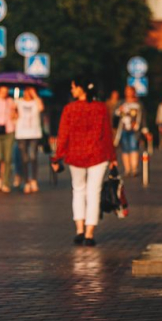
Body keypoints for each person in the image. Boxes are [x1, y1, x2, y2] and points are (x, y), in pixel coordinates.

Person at [51, 80, 117, 246]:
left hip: (76, 155)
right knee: (94, 192)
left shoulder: (69, 109)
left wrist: (57, 157)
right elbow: (107, 134)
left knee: (78, 190)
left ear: (81, 88)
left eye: (73, 87)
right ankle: (89, 233)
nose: (72, 89)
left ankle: (79, 229)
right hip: (98, 154)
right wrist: (113, 158)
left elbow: (63, 134)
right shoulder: (101, 108)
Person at [16, 87, 44, 194]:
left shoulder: (37, 101)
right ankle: (26, 181)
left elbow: (41, 108)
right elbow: (13, 114)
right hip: (21, 134)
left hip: (34, 133)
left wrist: (35, 95)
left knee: (33, 157)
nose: (28, 92)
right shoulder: (18, 102)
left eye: (31, 90)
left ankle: (34, 180)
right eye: (27, 89)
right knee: (24, 159)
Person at [115, 86, 146, 177]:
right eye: (126, 91)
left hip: (134, 130)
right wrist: (119, 111)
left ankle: (134, 168)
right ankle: (127, 169)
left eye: (130, 91)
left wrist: (144, 129)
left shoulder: (138, 104)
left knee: (133, 147)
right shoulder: (122, 103)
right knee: (125, 149)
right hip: (123, 129)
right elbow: (115, 114)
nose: (128, 93)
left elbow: (142, 117)